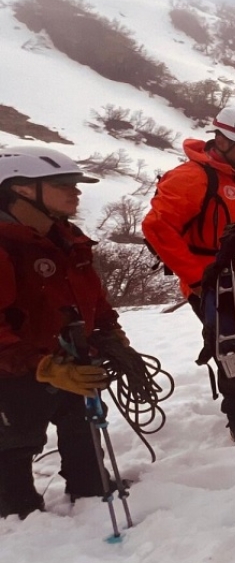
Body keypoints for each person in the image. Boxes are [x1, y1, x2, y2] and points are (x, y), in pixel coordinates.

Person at [0, 146, 124, 518]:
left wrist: (110, 332)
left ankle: (90, 486)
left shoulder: (66, 237)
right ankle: (16, 512)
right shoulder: (5, 244)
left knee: (83, 422)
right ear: (22, 189)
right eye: (63, 184)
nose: (77, 192)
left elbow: (91, 295)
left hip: (70, 354)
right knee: (14, 443)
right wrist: (42, 367)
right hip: (14, 368)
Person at [142, 106, 235, 446]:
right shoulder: (192, 177)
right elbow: (157, 228)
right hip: (213, 279)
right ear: (222, 141)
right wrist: (198, 277)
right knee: (230, 346)